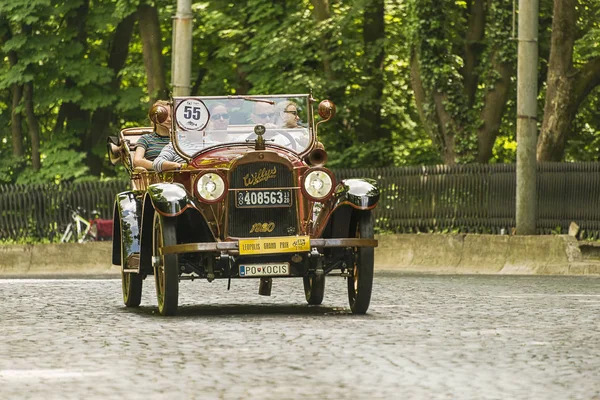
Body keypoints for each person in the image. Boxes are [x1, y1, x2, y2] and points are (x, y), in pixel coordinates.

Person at [153, 104, 230, 172]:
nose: (196, 127)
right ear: (183, 126)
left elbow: (228, 162)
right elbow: (157, 163)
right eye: (191, 124)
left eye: (200, 123)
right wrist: (180, 166)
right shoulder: (175, 146)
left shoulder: (215, 145)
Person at [133, 100, 171, 170]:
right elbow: (137, 161)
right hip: (156, 179)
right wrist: (164, 166)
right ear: (154, 117)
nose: (169, 119)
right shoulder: (146, 139)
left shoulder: (180, 140)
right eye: (164, 115)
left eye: (172, 116)